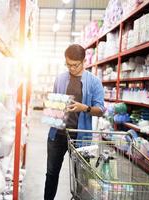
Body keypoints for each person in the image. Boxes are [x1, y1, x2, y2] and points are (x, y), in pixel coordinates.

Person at [44, 44, 105, 200]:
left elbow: (101, 110)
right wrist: (52, 106)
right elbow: (56, 104)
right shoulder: (60, 79)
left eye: (75, 65)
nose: (71, 68)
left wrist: (84, 108)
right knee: (51, 173)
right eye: (68, 64)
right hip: (57, 134)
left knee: (81, 178)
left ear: (84, 61)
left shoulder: (94, 82)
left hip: (80, 138)